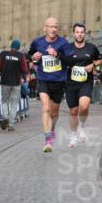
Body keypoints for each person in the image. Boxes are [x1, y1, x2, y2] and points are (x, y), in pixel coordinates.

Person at [27, 17, 75, 153]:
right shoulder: (38, 42)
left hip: (59, 81)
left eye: (56, 27)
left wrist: (57, 54)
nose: (53, 29)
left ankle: (52, 130)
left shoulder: (63, 43)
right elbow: (30, 54)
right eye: (51, 26)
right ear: (45, 28)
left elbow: (70, 61)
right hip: (43, 79)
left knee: (54, 113)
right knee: (46, 108)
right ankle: (48, 140)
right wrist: (33, 57)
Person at [63, 23, 102, 147]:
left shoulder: (91, 48)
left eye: (82, 32)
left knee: (84, 106)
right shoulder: (67, 48)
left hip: (86, 82)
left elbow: (100, 59)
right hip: (71, 83)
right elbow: (61, 62)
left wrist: (94, 65)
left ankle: (82, 126)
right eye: (77, 32)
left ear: (84, 34)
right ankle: (73, 135)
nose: (80, 34)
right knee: (73, 111)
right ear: (74, 33)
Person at [0, 39, 27, 130]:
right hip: (16, 83)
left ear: (11, 46)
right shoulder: (21, 56)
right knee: (14, 103)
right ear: (18, 47)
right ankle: (11, 125)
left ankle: (5, 117)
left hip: (5, 82)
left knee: (4, 101)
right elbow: (24, 69)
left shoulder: (4, 54)